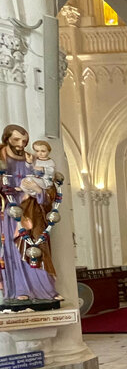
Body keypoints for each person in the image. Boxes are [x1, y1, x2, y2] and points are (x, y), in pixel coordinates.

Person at [0, 124, 60, 301]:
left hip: (33, 211)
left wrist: (39, 191)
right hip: (10, 213)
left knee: (38, 246)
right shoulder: (1, 158)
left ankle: (45, 290)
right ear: (6, 139)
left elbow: (50, 188)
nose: (21, 144)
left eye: (24, 141)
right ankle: (19, 290)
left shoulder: (34, 160)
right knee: (14, 250)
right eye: (16, 140)